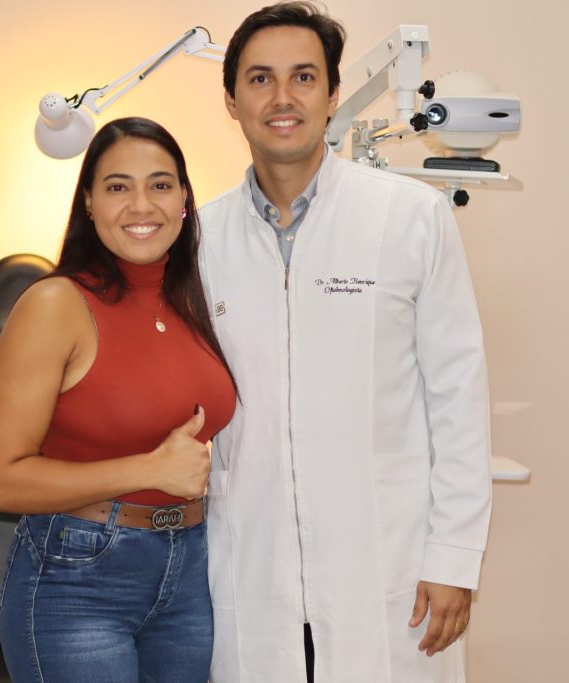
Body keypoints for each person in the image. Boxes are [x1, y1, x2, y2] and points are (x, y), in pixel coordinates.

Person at [197, 3, 493, 681]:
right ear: (232, 101)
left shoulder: (410, 217)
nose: (282, 97)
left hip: (387, 567)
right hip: (251, 570)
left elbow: (458, 397)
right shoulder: (199, 240)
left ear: (332, 93)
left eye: (303, 77)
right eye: (260, 78)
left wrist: (454, 557)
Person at [0, 116, 236, 683]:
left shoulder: (196, 301)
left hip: (191, 570)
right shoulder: (56, 305)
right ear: (89, 203)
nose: (141, 205)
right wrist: (150, 470)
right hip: (78, 580)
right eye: (118, 186)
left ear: (185, 200)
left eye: (160, 185)